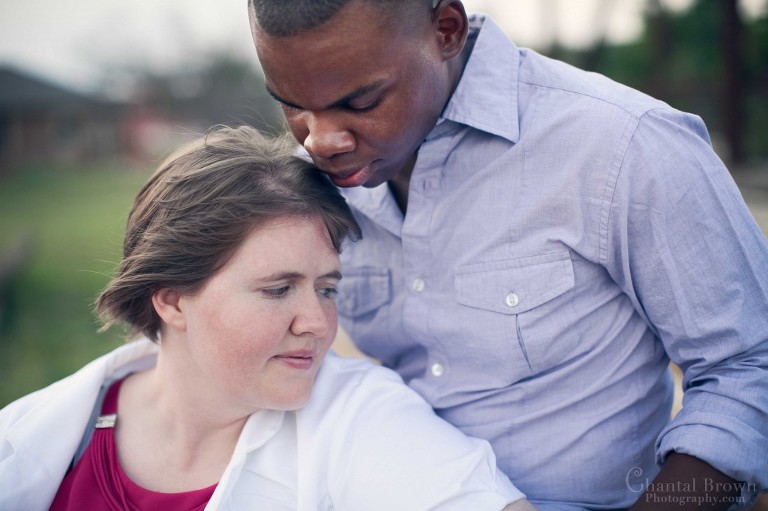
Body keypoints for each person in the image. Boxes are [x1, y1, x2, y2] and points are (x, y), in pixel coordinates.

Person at [247, 1, 768, 509]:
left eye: (360, 102)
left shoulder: (622, 144)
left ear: (446, 30)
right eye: (292, 105)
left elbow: (749, 366)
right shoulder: (301, 190)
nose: (320, 141)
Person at [0, 126, 536, 511]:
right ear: (172, 300)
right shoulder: (34, 434)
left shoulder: (358, 415)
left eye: (327, 289)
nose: (318, 323)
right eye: (278, 289)